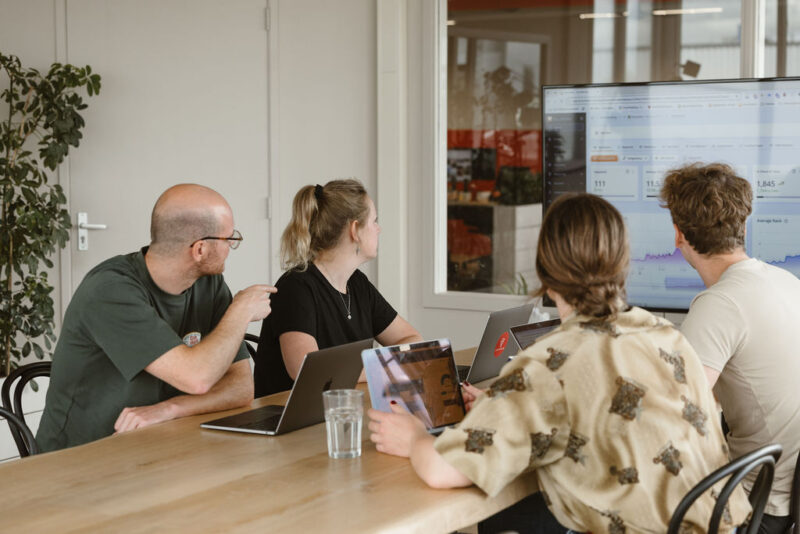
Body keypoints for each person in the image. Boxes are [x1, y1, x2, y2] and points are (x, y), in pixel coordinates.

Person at [368, 193, 750, 533]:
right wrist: (501, 405)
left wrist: (415, 438)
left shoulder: (548, 364)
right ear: (622, 263)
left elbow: (443, 471)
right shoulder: (666, 335)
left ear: (545, 272)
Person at [37, 184, 275, 451]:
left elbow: (240, 389)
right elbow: (197, 379)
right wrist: (241, 311)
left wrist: (169, 409)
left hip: (161, 442)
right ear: (199, 249)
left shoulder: (209, 284)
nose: (231, 246)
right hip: (81, 455)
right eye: (228, 238)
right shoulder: (110, 290)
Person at [660, 162, 800, 532]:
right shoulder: (786, 282)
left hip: (751, 507)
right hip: (789, 501)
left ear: (678, 234)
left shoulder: (720, 304)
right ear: (743, 225)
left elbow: (676, 415)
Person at [254, 179, 421, 397]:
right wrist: (387, 367)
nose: (378, 229)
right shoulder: (295, 287)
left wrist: (378, 368)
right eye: (374, 221)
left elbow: (412, 340)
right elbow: (308, 371)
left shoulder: (358, 284)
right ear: (355, 230)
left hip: (343, 406)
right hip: (289, 413)